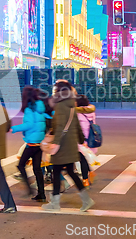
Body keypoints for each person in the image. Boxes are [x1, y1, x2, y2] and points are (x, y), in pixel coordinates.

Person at [42, 80, 94, 212]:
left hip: (62, 146)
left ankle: (55, 203)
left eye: (55, 90)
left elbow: (59, 127)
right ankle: (86, 200)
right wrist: (82, 140)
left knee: (57, 172)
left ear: (59, 91)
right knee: (70, 172)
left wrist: (55, 143)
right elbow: (76, 124)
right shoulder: (71, 105)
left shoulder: (59, 106)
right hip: (70, 145)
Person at [11, 86, 47, 202]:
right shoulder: (40, 106)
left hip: (32, 142)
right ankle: (41, 194)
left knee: (21, 165)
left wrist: (14, 128)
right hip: (39, 142)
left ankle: (29, 188)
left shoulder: (29, 109)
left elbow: (29, 124)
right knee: (37, 168)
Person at [75, 95, 97, 187]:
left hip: (82, 140)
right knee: (85, 159)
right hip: (91, 138)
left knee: (82, 159)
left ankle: (85, 179)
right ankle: (90, 172)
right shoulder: (91, 112)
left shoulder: (78, 114)